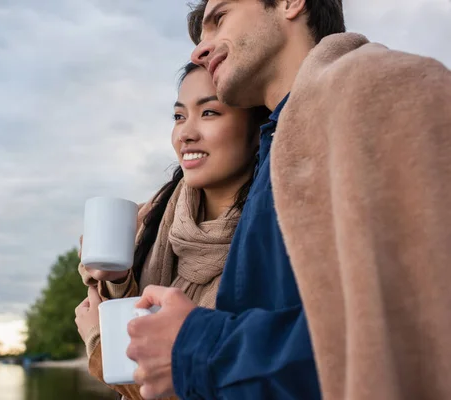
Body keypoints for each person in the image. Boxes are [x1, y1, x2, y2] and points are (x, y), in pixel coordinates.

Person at [128, 1, 451, 399]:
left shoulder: (388, 86)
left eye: (220, 18)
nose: (198, 50)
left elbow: (420, 333)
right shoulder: (273, 152)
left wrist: (199, 347)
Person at [74, 62, 270, 400]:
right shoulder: (160, 213)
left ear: (256, 130)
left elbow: (190, 384)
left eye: (209, 113)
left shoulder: (267, 237)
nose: (185, 134)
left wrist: (98, 342)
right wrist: (119, 278)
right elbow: (135, 311)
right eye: (179, 117)